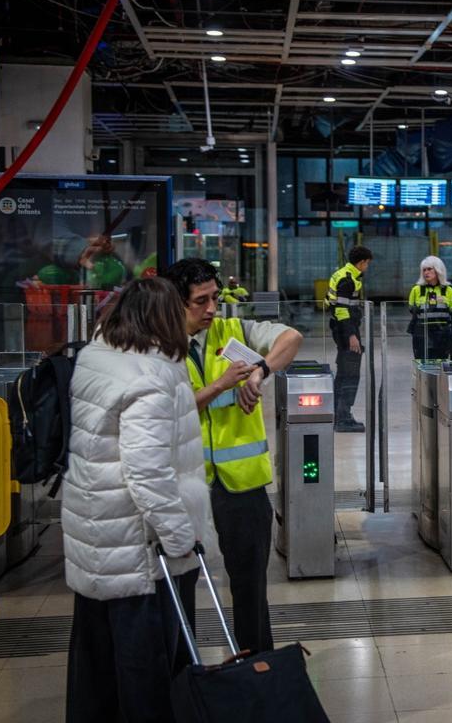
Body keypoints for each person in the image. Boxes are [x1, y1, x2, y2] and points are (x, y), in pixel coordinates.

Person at [63, 278, 210, 723]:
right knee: (144, 671)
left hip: (96, 535)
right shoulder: (153, 373)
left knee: (95, 668)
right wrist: (179, 535)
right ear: (164, 318)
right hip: (141, 550)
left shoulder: (97, 356)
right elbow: (146, 470)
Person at [160, 258, 303, 657]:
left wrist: (260, 371)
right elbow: (166, 410)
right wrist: (220, 384)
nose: (211, 309)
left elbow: (291, 338)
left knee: (250, 584)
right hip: (184, 486)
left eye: (215, 298)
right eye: (200, 301)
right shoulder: (159, 348)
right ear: (175, 303)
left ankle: (257, 668)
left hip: (242, 483)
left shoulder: (233, 331)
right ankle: (184, 674)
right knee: (180, 585)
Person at [327, 247, 373, 433]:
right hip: (346, 330)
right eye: (367, 263)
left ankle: (338, 413)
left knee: (344, 372)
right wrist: (351, 336)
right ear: (361, 262)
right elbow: (341, 310)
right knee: (350, 373)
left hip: (341, 329)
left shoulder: (342, 274)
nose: (367, 267)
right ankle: (343, 417)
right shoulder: (347, 280)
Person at [409, 255, 452, 361]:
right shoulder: (416, 289)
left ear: (438, 269)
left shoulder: (449, 289)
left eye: (429, 269)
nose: (426, 272)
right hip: (421, 333)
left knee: (441, 363)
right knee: (421, 363)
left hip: (442, 333)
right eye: (424, 270)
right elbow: (412, 310)